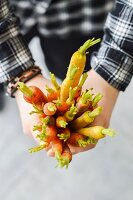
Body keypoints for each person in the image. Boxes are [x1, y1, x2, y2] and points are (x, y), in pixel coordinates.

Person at [0, 0, 132, 156]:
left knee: (63, 68)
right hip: (12, 12)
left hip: (79, 17)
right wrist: (15, 72)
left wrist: (110, 68)